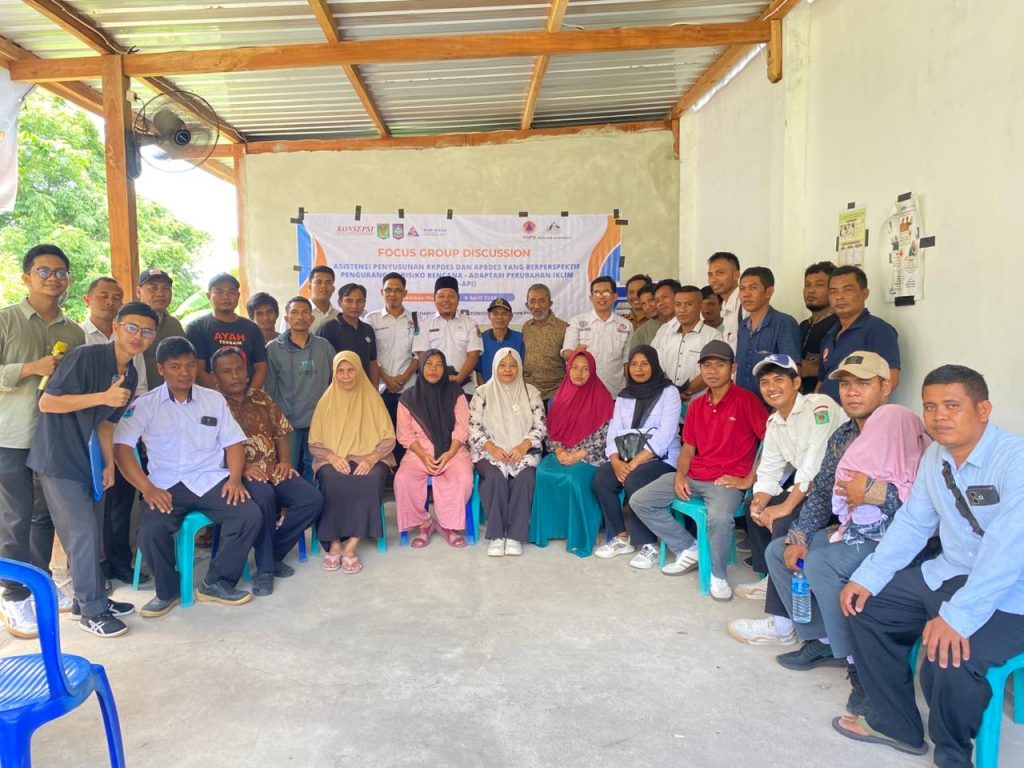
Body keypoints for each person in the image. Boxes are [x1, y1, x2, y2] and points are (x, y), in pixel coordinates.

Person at [834, 366, 1024, 766]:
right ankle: (895, 724)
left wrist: (957, 616)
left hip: (1013, 591)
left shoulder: (1015, 460)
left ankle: (953, 757)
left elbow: (1007, 551)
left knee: (951, 658)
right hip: (950, 572)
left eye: (952, 406)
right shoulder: (935, 456)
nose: (939, 416)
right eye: (930, 406)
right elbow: (913, 523)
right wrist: (869, 576)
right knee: (863, 606)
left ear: (983, 409)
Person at [762, 352, 923, 716]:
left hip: (894, 538)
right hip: (853, 529)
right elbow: (822, 491)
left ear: (885, 387)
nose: (851, 392)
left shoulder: (901, 427)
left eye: (863, 383)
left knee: (821, 564)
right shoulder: (843, 435)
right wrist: (799, 536)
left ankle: (859, 667)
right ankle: (821, 638)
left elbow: (922, 500)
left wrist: (874, 492)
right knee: (780, 552)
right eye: (846, 384)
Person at [28, 302, 158, 637]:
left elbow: (107, 423)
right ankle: (92, 611)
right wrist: (102, 396)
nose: (138, 336)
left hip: (91, 459)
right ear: (116, 327)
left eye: (146, 331)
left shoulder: (130, 373)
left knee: (93, 532)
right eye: (132, 327)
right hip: (59, 459)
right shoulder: (84, 357)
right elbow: (48, 403)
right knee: (82, 533)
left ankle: (86, 600)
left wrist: (109, 462)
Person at [113, 337, 262, 618]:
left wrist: (234, 479)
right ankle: (167, 591)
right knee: (150, 530)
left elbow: (233, 443)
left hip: (210, 480)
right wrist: (147, 488)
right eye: (176, 366)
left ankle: (215, 582)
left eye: (190, 365)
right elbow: (121, 449)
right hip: (165, 485)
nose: (185, 372)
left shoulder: (213, 399)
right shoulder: (145, 405)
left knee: (249, 515)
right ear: (161, 369)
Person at [626, 340, 766, 601]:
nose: (712, 371)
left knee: (719, 518)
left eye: (720, 365)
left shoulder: (747, 401)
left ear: (733, 368)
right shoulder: (697, 406)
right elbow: (688, 448)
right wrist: (680, 476)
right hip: (695, 475)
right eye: (707, 365)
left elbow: (771, 442)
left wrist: (749, 479)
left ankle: (718, 574)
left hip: (726, 481)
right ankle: (689, 547)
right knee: (640, 500)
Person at [723, 354, 847, 643]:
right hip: (809, 489)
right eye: (765, 382)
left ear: (796, 382)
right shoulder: (775, 421)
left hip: (836, 496)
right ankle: (772, 579)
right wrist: (760, 501)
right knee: (753, 506)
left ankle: (781, 626)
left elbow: (814, 467)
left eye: (779, 380)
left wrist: (785, 506)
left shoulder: (820, 407)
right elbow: (770, 468)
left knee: (784, 522)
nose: (771, 387)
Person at [0, 244, 85, 639]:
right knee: (14, 517)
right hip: (11, 435)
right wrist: (30, 368)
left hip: (52, 438)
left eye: (60, 272)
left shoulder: (73, 331)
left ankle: (41, 584)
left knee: (43, 515)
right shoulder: (6, 320)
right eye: (44, 271)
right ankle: (14, 596)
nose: (53, 278)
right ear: (26, 277)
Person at [210, 347, 322, 596]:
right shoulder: (211, 405)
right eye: (227, 371)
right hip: (238, 475)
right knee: (264, 497)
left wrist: (285, 462)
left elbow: (280, 434)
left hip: (272, 469)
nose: (235, 375)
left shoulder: (262, 398)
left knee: (311, 499)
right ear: (214, 377)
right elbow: (209, 450)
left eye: (239, 369)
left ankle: (272, 552)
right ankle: (266, 570)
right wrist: (243, 468)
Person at [80, 277, 149, 585]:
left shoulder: (134, 340)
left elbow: (141, 389)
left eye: (116, 297)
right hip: (85, 434)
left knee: (122, 500)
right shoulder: (80, 337)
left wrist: (137, 430)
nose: (110, 301)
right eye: (103, 295)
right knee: (92, 504)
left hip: (123, 432)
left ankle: (120, 560)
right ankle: (94, 569)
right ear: (87, 299)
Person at [591, 346, 681, 566]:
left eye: (644, 364)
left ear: (654, 365)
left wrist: (637, 462)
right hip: (626, 457)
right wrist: (615, 461)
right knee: (602, 479)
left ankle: (649, 544)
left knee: (635, 479)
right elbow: (614, 430)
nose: (638, 369)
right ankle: (621, 537)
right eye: (633, 364)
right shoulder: (625, 395)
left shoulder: (669, 392)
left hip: (661, 458)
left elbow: (666, 433)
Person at [308, 351, 395, 574]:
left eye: (350, 370)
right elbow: (314, 443)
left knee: (370, 479)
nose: (345, 376)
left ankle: (352, 544)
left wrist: (372, 458)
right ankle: (335, 543)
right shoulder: (326, 401)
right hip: (333, 456)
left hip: (370, 455)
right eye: (340, 371)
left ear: (359, 372)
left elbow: (388, 438)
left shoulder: (372, 398)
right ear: (334, 373)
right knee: (331, 480)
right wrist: (332, 457)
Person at [530, 351, 613, 557]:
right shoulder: (560, 396)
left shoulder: (603, 398)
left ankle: (580, 531)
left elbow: (605, 435)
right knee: (542, 473)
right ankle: (552, 528)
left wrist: (579, 454)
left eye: (585, 369)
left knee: (574, 479)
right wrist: (559, 450)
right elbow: (551, 430)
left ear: (592, 371)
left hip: (591, 455)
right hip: (562, 450)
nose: (579, 373)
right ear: (568, 369)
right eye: (575, 368)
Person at [469, 349, 546, 557]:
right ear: (495, 367)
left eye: (513, 365)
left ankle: (515, 535)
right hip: (490, 450)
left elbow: (540, 426)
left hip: (523, 450)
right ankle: (497, 535)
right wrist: (491, 447)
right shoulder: (482, 393)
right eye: (502, 365)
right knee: (494, 477)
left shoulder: (531, 392)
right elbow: (473, 427)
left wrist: (523, 446)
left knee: (526, 478)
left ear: (519, 367)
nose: (508, 370)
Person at [394, 349, 473, 548]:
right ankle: (424, 523)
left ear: (444, 368)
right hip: (419, 451)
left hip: (453, 449)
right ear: (421, 368)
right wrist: (423, 455)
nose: (433, 369)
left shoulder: (455, 392)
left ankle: (449, 526)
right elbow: (404, 433)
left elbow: (462, 427)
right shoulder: (408, 398)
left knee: (463, 478)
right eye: (429, 364)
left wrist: (450, 452)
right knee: (403, 479)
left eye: (439, 365)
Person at [265, 296, 335, 482]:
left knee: (315, 466)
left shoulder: (324, 346)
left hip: (319, 420)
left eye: (305, 312)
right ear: (286, 318)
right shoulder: (273, 349)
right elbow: (269, 389)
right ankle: (291, 500)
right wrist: (275, 421)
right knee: (289, 467)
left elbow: (335, 381)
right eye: (294, 312)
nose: (300, 317)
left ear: (312, 318)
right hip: (287, 422)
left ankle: (314, 499)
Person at [818, 265, 900, 399]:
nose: (839, 297)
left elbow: (892, 378)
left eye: (847, 290)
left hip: (857, 410)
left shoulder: (878, 329)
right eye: (833, 292)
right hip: (825, 410)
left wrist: (857, 405)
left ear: (864, 293)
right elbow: (822, 381)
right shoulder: (829, 335)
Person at [366, 272, 419, 466]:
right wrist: (386, 378)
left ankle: (405, 471)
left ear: (405, 293)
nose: (393, 294)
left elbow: (419, 353)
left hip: (409, 388)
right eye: (388, 290)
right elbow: (371, 355)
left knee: (406, 434)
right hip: (380, 388)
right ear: (382, 292)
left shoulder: (415, 319)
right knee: (383, 434)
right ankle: (385, 472)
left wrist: (404, 377)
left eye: (397, 290)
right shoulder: (371, 319)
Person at [186, 272, 268, 390]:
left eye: (231, 292)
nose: (225, 297)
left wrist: (249, 396)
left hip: (246, 396)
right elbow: (198, 368)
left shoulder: (252, 328)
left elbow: (261, 367)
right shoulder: (197, 327)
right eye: (219, 291)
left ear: (238, 296)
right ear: (209, 296)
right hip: (209, 397)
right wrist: (218, 397)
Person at [735, 267, 802, 396]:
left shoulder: (784, 323)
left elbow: (794, 370)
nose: (746, 294)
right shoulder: (743, 326)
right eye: (742, 289)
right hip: (744, 403)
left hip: (772, 404)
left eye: (753, 288)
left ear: (769, 292)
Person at [651, 284, 722, 404]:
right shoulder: (665, 333)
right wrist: (671, 391)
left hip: (699, 404)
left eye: (688, 304)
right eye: (678, 304)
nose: (682, 310)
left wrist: (687, 391)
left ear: (700, 306)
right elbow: (655, 363)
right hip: (667, 403)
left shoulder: (713, 336)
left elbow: (712, 370)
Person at [562, 276, 633, 396]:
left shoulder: (626, 325)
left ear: (615, 296)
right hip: (583, 392)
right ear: (591, 297)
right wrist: (575, 354)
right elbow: (566, 353)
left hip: (614, 392)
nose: (601, 296)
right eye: (597, 292)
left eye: (606, 292)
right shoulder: (577, 321)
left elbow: (627, 362)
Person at [412, 276, 482, 396]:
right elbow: (422, 355)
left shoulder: (470, 323)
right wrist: (437, 378)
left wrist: (460, 377)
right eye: (441, 296)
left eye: (451, 296)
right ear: (434, 299)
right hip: (432, 388)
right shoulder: (424, 325)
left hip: (463, 387)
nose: (446, 300)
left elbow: (473, 355)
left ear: (458, 299)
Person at [317, 283, 380, 386]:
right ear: (340, 302)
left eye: (359, 301)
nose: (354, 306)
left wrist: (374, 390)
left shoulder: (368, 330)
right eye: (349, 301)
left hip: (364, 389)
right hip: (338, 389)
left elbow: (372, 362)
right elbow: (320, 366)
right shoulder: (327, 329)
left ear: (364, 303)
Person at [136, 267, 184, 388]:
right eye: (153, 288)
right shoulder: (130, 325)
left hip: (173, 393)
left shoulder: (174, 325)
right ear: (138, 292)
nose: (160, 293)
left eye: (165, 288)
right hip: (139, 394)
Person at [521, 283, 568, 401]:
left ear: (550, 304)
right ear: (527, 305)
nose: (536, 306)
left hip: (556, 390)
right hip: (529, 390)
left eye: (542, 301)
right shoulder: (526, 327)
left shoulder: (563, 328)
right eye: (532, 301)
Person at [799, 261, 839, 394]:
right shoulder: (803, 326)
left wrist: (813, 370)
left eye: (819, 285)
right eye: (807, 285)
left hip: (828, 400)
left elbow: (846, 368)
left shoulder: (839, 324)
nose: (811, 290)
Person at [274, 264, 339, 334]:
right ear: (309, 286)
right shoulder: (292, 314)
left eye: (328, 282)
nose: (323, 286)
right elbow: (284, 340)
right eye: (319, 282)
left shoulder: (338, 316)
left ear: (333, 288)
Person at [476, 298, 525, 385]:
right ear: (489, 316)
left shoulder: (520, 339)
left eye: (504, 313)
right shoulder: (481, 339)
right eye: (495, 313)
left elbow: (524, 368)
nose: (499, 317)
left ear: (510, 317)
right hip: (489, 389)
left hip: (514, 389)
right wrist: (482, 391)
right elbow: (479, 371)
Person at [630, 278, 679, 351]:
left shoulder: (684, 323)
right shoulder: (641, 333)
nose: (648, 306)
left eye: (651, 300)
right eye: (643, 304)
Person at [706, 252, 742, 351]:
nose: (713, 280)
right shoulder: (725, 305)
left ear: (736, 275)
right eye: (710, 275)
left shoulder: (745, 305)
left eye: (720, 273)